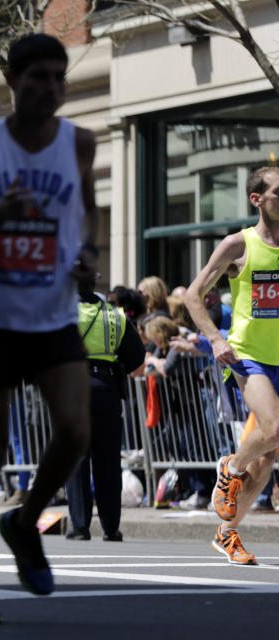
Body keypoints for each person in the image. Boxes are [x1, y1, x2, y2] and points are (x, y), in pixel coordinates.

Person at [0, 33, 98, 622]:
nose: (51, 88)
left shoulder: (80, 143)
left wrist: (89, 258)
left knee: (76, 432)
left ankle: (23, 517)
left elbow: (89, 212)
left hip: (55, 315)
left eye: (59, 77)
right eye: (37, 77)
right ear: (12, 81)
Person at [184, 165, 279, 566]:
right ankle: (231, 465)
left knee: (266, 460)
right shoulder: (238, 245)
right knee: (274, 430)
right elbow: (193, 295)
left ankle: (227, 534)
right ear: (257, 199)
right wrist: (216, 338)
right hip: (248, 357)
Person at [65, 270, 144, 541]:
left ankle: (80, 526)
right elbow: (136, 356)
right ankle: (111, 527)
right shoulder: (114, 314)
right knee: (108, 459)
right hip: (107, 387)